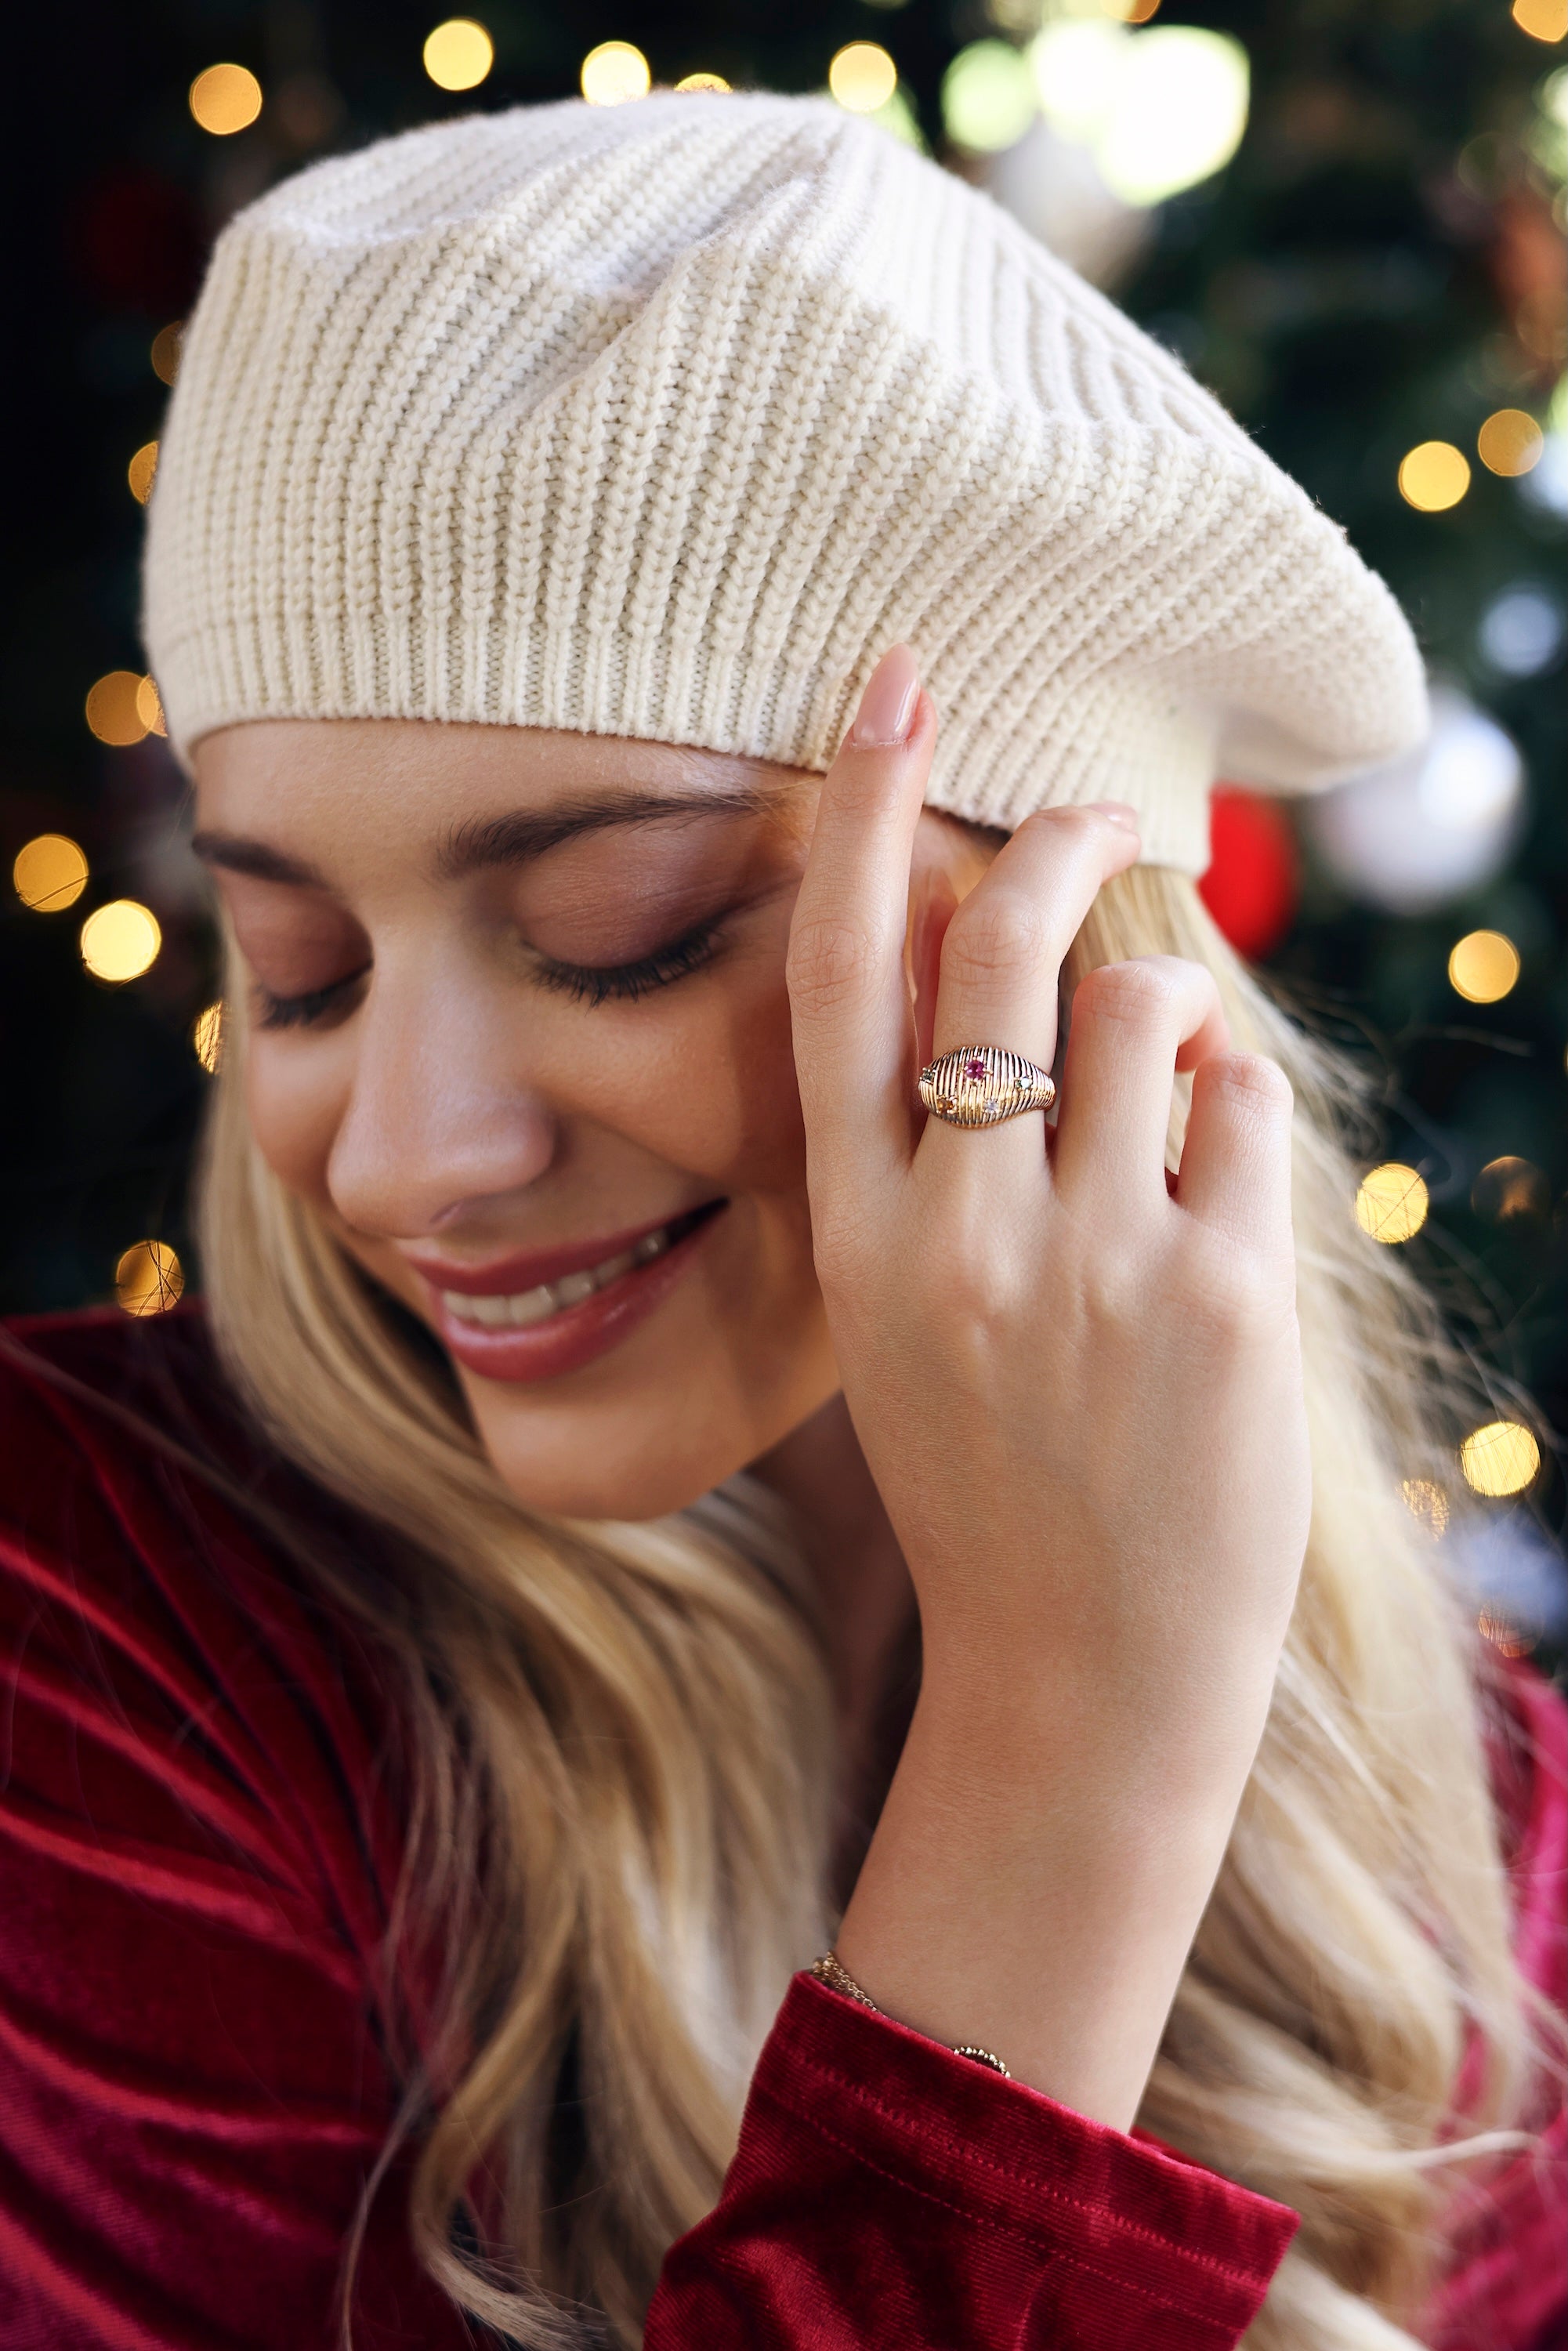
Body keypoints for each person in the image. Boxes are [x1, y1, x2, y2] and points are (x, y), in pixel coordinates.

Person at [1, 92, 1562, 2351]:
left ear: (1077, 954)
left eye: (622, 927)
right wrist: (1069, 1752)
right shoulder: (82, 1611)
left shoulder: (1466, 1826)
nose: (403, 1156)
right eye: (301, 972)